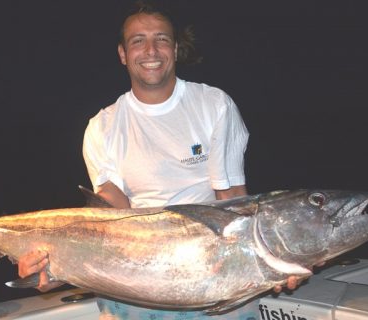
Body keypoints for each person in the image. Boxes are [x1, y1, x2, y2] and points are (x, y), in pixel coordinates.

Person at [18, 1, 300, 319]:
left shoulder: (214, 105)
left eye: (161, 38)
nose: (151, 50)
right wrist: (53, 266)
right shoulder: (103, 126)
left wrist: (272, 258)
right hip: (134, 280)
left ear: (176, 49)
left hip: (213, 270)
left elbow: (232, 200)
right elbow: (112, 213)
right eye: (138, 40)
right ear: (123, 54)